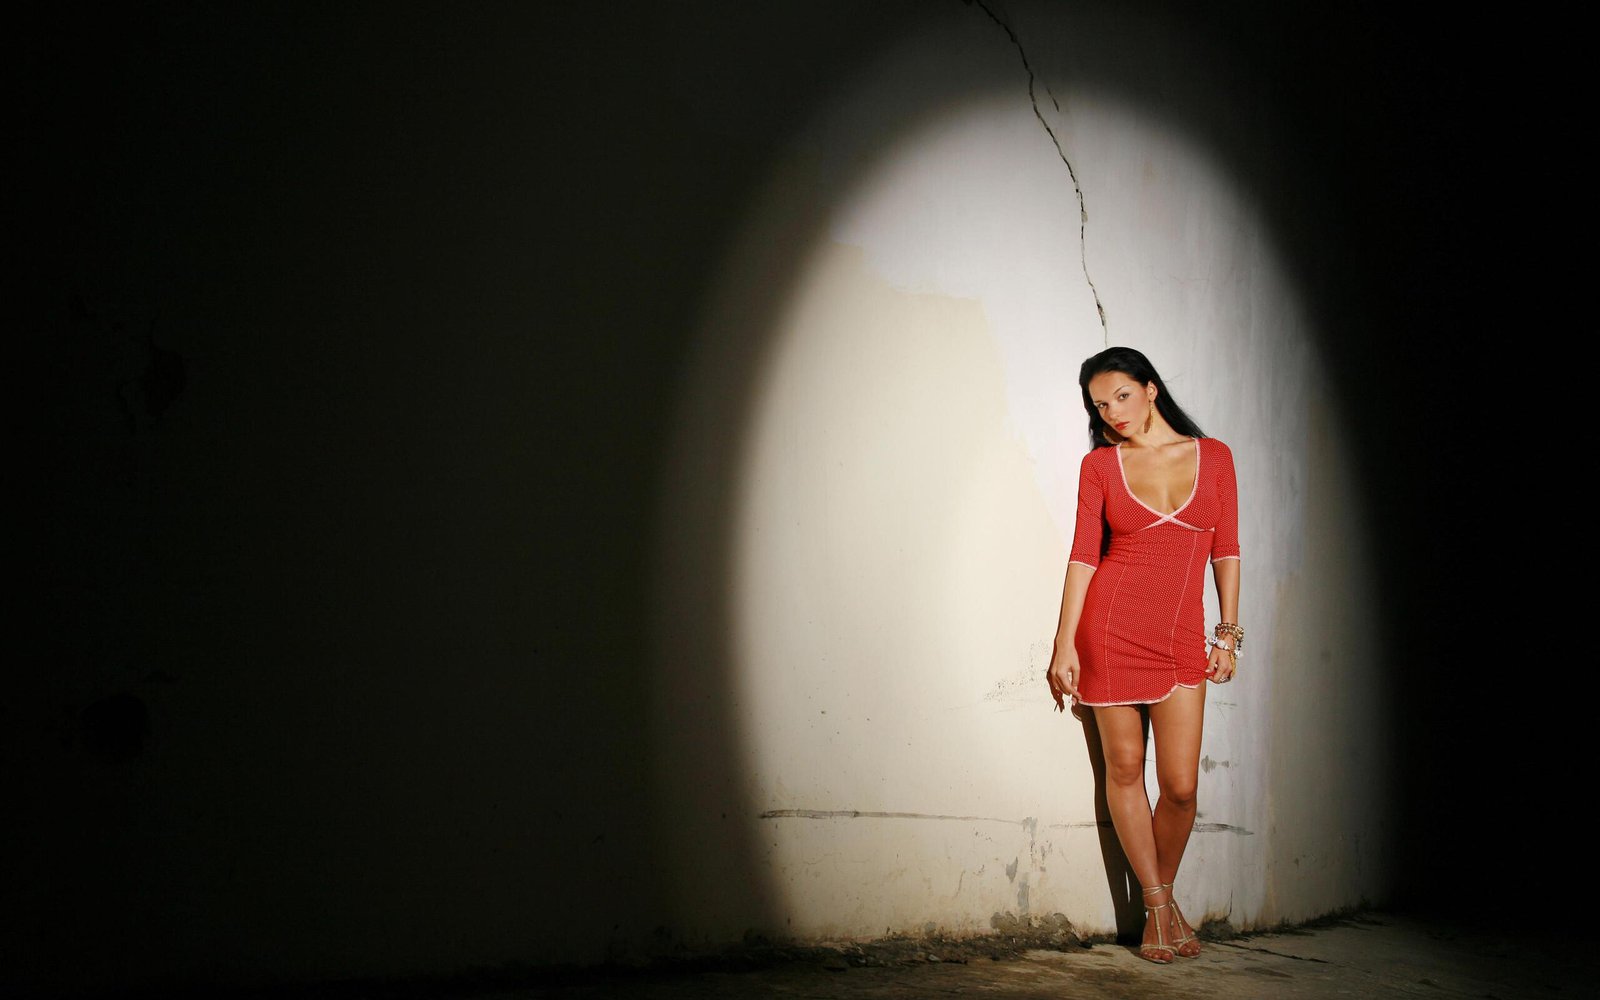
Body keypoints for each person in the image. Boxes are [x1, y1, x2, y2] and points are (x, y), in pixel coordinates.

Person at [1045, 346, 1242, 965]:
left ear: (1151, 389)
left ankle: (1160, 898)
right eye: (1100, 404)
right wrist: (1063, 643)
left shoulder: (1214, 458)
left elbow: (1226, 549)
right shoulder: (1101, 466)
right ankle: (1159, 909)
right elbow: (1084, 555)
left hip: (1181, 636)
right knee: (1125, 770)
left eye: (1122, 395)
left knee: (1180, 786)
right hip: (1109, 631)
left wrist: (1227, 634)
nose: (1112, 411)